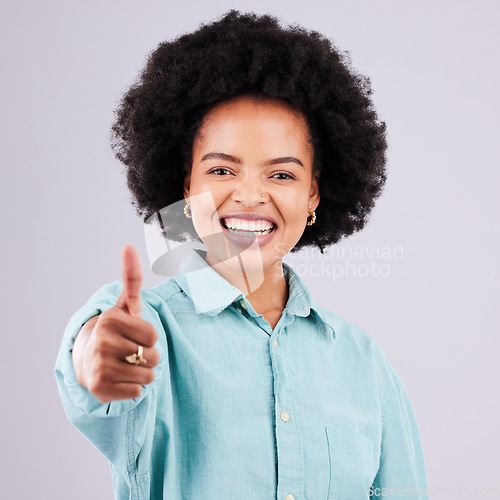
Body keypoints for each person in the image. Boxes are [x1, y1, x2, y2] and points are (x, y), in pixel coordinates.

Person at [55, 10, 429, 500]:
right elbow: (98, 359)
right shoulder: (149, 325)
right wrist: (99, 355)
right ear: (186, 188)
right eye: (223, 171)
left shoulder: (363, 361)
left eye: (281, 175)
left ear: (313, 197)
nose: (250, 197)